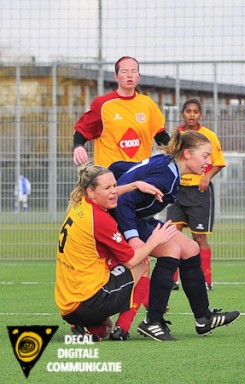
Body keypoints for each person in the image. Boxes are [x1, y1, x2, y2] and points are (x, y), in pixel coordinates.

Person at [109, 130, 240, 341]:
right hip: (124, 221)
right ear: (187, 154)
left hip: (139, 219)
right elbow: (124, 202)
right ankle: (153, 321)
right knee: (172, 251)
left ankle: (203, 318)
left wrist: (114, 177)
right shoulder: (166, 176)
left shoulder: (168, 165)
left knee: (191, 249)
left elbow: (120, 167)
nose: (209, 161)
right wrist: (132, 237)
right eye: (205, 156)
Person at [72, 55, 169, 341]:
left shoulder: (148, 105)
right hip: (113, 192)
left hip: (140, 192)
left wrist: (178, 150)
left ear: (139, 76)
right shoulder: (104, 104)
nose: (129, 75)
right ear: (116, 76)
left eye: (134, 71)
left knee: (143, 257)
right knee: (130, 259)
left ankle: (139, 318)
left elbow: (162, 137)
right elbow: (82, 129)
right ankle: (125, 322)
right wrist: (79, 146)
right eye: (124, 71)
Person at [54, 164, 177, 341]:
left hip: (67, 306)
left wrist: (134, 185)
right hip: (88, 302)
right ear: (91, 192)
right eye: (107, 187)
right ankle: (123, 329)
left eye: (114, 185)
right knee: (142, 262)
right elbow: (132, 260)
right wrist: (154, 241)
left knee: (104, 327)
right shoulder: (100, 219)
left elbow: (105, 192)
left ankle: (86, 330)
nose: (113, 191)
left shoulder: (79, 204)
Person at [167, 98, 226, 291]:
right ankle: (172, 279)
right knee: (172, 234)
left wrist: (207, 176)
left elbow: (218, 162)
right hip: (177, 191)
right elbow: (169, 158)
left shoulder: (208, 136)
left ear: (200, 114)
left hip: (199, 193)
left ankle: (205, 279)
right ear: (183, 113)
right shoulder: (177, 135)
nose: (191, 114)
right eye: (188, 111)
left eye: (195, 111)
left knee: (199, 237)